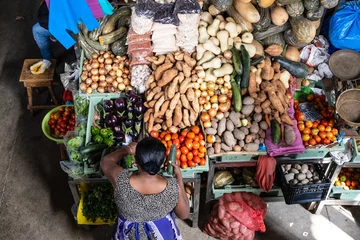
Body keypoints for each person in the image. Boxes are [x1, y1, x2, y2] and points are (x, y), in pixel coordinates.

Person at [100, 137, 189, 240]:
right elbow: (184, 214)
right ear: (164, 161)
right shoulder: (173, 186)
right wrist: (179, 178)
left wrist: (127, 149)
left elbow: (105, 161)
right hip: (161, 233)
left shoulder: (120, 179)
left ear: (135, 160)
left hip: (128, 234)